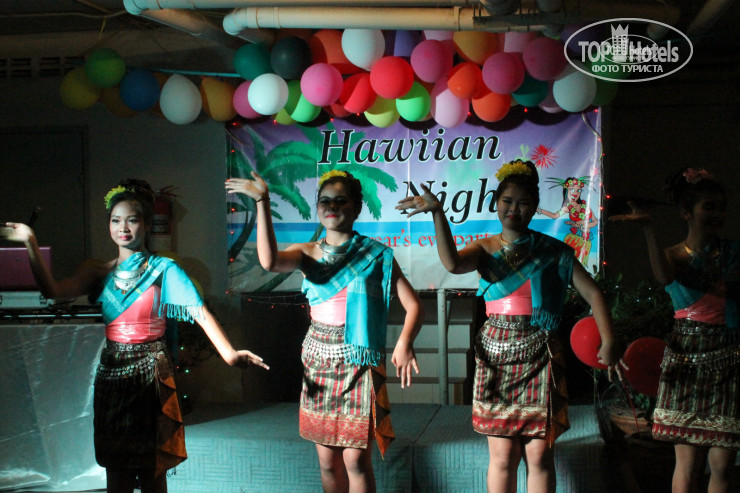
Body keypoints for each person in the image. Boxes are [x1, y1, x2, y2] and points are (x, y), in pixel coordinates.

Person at [0, 179, 268, 493]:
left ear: (147, 224)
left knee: (152, 468)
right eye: (116, 220)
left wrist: (230, 355)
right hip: (112, 373)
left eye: (132, 220)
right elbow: (53, 290)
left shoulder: (164, 269)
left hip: (151, 372)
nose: (123, 228)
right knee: (117, 468)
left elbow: (200, 312)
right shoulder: (97, 272)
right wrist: (30, 242)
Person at [397, 159, 621, 493]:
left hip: (541, 355)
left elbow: (593, 293)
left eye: (523, 203)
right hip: (496, 357)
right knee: (503, 457)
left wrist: (609, 341)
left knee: (539, 456)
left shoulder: (553, 251)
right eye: (507, 201)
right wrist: (437, 214)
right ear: (496, 203)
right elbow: (452, 264)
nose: (514, 209)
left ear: (535, 207)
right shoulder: (484, 248)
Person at [225, 169, 424, 493]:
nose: (332, 207)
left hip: (359, 362)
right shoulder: (306, 252)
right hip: (319, 360)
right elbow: (269, 262)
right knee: (328, 463)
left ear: (357, 207)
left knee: (356, 461)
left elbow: (414, 305)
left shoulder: (375, 255)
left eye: (340, 201)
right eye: (325, 201)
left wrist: (405, 342)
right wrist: (262, 201)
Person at [610, 167, 738, 493]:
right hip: (686, 358)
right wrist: (649, 229)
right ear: (686, 212)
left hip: (729, 357)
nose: (717, 214)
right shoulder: (673, 256)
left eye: (721, 207)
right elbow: (664, 276)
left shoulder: (734, 254)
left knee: (722, 465)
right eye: (709, 207)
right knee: (688, 463)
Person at [537, 176, 598, 265]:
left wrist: (582, 225)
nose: (575, 193)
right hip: (574, 240)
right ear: (567, 191)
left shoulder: (585, 205)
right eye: (572, 189)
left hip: (586, 241)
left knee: (581, 265)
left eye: (578, 190)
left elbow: (595, 221)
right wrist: (540, 210)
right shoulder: (567, 208)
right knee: (569, 264)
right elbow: (554, 216)